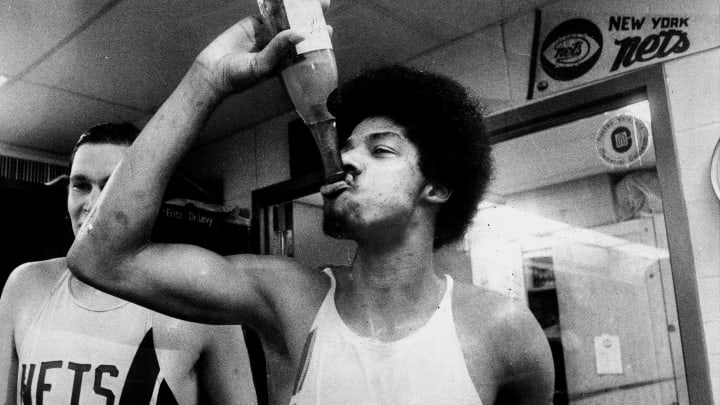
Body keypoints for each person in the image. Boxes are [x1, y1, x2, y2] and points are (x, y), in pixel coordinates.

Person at [66, 13, 555, 405]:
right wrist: (207, 80)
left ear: (438, 188)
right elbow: (100, 258)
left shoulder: (504, 332)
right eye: (347, 147)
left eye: (380, 150)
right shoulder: (290, 300)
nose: (346, 159)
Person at [0, 122, 257, 405]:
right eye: (81, 186)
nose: (94, 203)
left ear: (152, 195)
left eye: (113, 186)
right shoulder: (26, 288)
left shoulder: (199, 300)